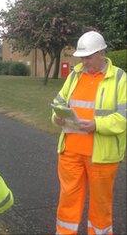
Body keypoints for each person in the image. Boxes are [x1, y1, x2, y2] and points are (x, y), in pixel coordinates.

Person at [51, 31, 126, 235]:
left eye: (88, 57)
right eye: (82, 57)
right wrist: (56, 116)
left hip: (102, 156)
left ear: (102, 53)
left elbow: (123, 119)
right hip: (70, 152)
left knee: (100, 205)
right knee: (68, 200)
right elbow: (59, 102)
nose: (84, 61)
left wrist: (96, 124)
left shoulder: (120, 78)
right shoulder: (75, 75)